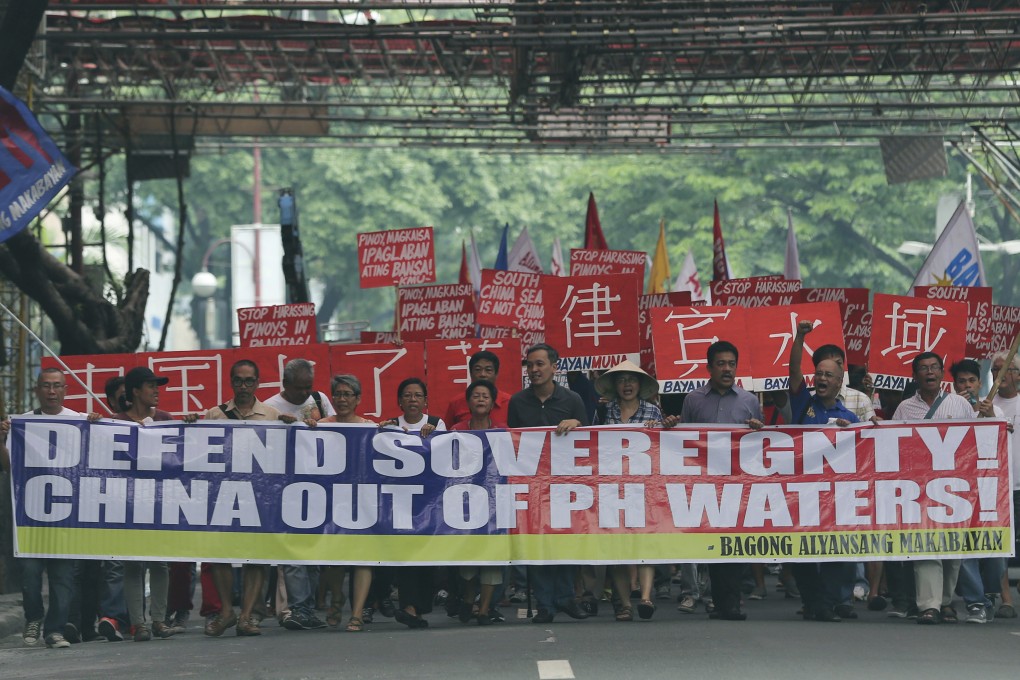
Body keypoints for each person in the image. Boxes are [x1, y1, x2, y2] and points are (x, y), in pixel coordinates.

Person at [189, 359, 280, 637]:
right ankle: (227, 611)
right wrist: (190, 425)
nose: (244, 386)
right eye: (239, 381)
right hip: (223, 494)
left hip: (260, 494)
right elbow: (199, 452)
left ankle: (247, 616)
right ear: (231, 382)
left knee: (258, 557)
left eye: (249, 381)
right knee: (220, 555)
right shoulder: (214, 414)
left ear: (257, 383)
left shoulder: (273, 416)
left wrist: (299, 425)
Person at [0, 368, 87, 649]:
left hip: (67, 516)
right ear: (37, 390)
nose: (52, 391)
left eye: (57, 386)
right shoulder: (22, 423)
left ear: (66, 390)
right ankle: (34, 617)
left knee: (63, 578)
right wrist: (2, 440)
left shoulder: (79, 421)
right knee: (29, 573)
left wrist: (98, 425)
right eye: (46, 386)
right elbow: (9, 467)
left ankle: (55, 630)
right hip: (30, 515)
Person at [679, 340, 764, 621]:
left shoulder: (750, 401)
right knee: (711, 541)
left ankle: (732, 603)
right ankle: (718, 601)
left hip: (738, 482)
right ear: (709, 368)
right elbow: (683, 439)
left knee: (734, 540)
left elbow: (762, 443)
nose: (727, 369)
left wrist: (757, 430)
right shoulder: (693, 400)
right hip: (704, 483)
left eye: (731, 364)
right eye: (721, 364)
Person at [507, 343, 590, 624]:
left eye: (540, 364)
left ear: (554, 367)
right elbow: (512, 442)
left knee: (564, 540)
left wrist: (577, 423)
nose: (534, 370)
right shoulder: (518, 402)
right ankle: (544, 603)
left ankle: (566, 597)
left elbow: (592, 438)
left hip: (566, 483)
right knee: (537, 542)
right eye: (529, 365)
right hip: (532, 485)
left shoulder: (572, 399)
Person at [891, 352, 974, 625]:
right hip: (919, 489)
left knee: (952, 550)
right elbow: (891, 444)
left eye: (935, 367)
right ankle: (929, 605)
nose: (930, 372)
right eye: (924, 368)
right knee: (926, 545)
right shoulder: (904, 409)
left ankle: (945, 601)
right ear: (915, 375)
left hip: (955, 487)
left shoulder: (960, 404)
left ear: (941, 373)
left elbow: (975, 439)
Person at [788, 321, 859, 623]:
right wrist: (800, 336)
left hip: (836, 494)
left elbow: (863, 453)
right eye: (818, 373)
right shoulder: (803, 403)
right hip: (804, 490)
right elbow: (793, 371)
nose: (822, 378)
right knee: (802, 549)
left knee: (834, 549)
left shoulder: (850, 416)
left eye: (828, 375)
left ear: (839, 382)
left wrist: (851, 432)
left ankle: (828, 603)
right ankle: (813, 601)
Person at [592, 360, 667, 621]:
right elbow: (592, 442)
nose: (627, 385)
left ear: (640, 384)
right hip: (612, 488)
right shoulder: (604, 411)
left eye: (632, 379)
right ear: (614, 385)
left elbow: (663, 446)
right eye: (622, 380)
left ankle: (645, 597)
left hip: (645, 487)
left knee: (645, 542)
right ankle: (624, 604)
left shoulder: (653, 411)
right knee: (618, 547)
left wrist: (661, 429)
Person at [264, 358, 331, 631]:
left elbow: (335, 428)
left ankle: (307, 608)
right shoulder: (270, 408)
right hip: (286, 490)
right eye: (300, 388)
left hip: (317, 487)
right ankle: (298, 608)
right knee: (292, 553)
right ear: (285, 384)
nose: (305, 393)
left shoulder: (320, 400)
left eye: (308, 387)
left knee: (313, 555)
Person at [114, 366, 176, 641]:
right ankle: (138, 624)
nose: (156, 390)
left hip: (159, 501)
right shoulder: (115, 422)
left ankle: (159, 620)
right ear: (136, 391)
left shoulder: (165, 419)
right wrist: (94, 424)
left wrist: (190, 426)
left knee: (160, 562)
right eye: (151, 386)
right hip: (128, 502)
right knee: (133, 564)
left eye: (157, 385)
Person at [383, 378, 446, 629]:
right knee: (406, 556)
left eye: (417, 395)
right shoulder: (391, 425)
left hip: (429, 501)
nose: (412, 399)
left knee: (426, 556)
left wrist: (435, 436)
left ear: (425, 400)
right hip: (401, 501)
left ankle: (418, 610)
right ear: (400, 401)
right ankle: (408, 606)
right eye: (407, 395)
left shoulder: (437, 423)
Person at [317, 374, 376, 633]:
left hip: (362, 500)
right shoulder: (321, 425)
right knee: (334, 559)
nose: (342, 399)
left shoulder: (369, 427)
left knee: (363, 557)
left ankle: (357, 613)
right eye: (338, 394)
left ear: (358, 399)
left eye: (347, 394)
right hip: (331, 500)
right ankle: (337, 598)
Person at [949, 359, 1006, 624]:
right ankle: (976, 602)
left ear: (980, 383)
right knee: (964, 549)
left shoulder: (993, 408)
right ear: (954, 385)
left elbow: (1002, 440)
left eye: (972, 381)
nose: (967, 386)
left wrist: (991, 416)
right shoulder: (950, 409)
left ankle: (989, 592)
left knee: (995, 551)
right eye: (962, 382)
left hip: (990, 490)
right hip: (959, 491)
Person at [451, 379, 505, 625]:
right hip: (464, 503)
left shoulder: (503, 432)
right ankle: (468, 599)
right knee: (468, 563)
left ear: (492, 403)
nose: (481, 399)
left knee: (492, 559)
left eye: (485, 396)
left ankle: (483, 611)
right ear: (468, 402)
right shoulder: (456, 430)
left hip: (494, 505)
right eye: (476, 396)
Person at [991, 351, 1020, 619]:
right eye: (995, 369)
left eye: (1006, 369)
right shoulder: (986, 405)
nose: (999, 374)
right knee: (1001, 544)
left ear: (1017, 375)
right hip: (999, 486)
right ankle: (1005, 598)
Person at [443, 350, 511, 427]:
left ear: (496, 374)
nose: (483, 374)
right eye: (478, 369)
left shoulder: (510, 403)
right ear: (470, 373)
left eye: (488, 370)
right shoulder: (456, 403)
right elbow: (447, 432)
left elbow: (516, 432)